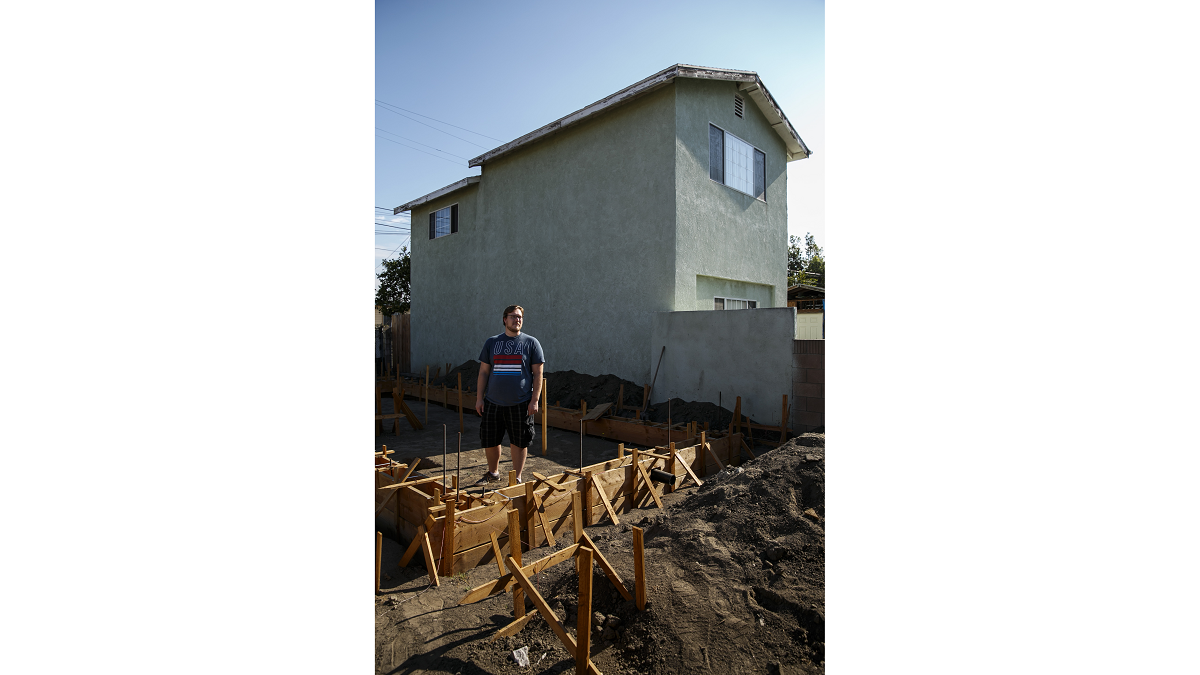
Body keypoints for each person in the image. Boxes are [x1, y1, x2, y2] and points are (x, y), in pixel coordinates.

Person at [472, 305, 544, 486]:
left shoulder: (531, 343)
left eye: (519, 317)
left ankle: (517, 478)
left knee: (520, 441)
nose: (517, 320)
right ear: (505, 319)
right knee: (490, 439)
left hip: (521, 403)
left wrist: (535, 400)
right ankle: (493, 472)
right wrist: (479, 398)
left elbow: (538, 374)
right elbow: (483, 373)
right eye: (513, 316)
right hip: (493, 402)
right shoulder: (492, 342)